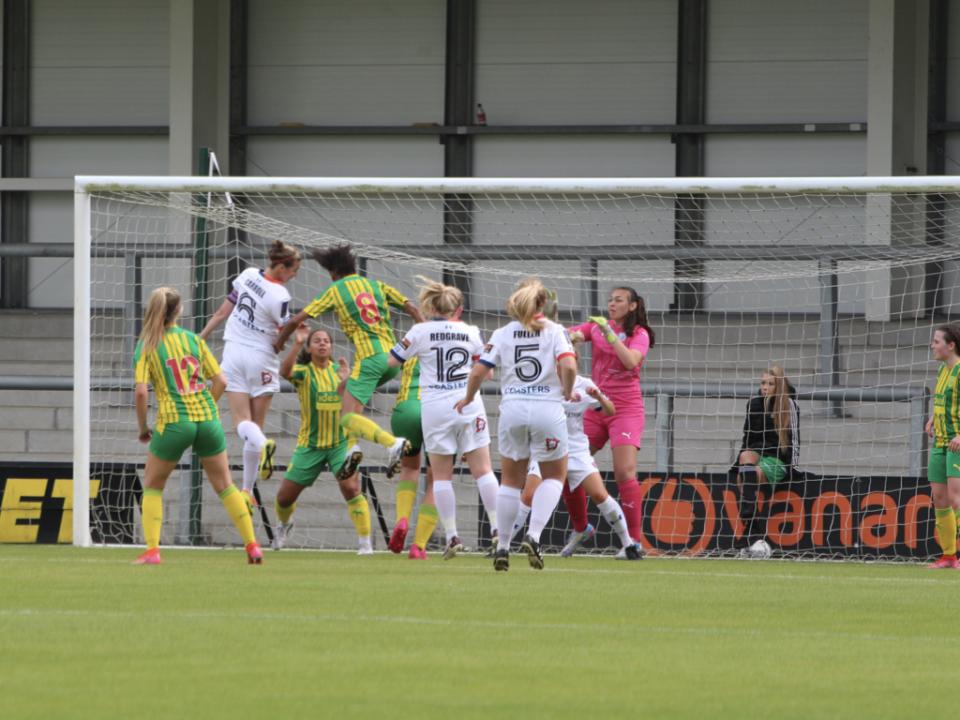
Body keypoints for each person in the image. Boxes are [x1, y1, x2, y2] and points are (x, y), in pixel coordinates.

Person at [133, 287, 262, 565]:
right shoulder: (193, 340)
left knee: (154, 486)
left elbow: (142, 392)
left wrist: (143, 428)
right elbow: (222, 382)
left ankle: (153, 551)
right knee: (226, 486)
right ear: (179, 311)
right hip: (207, 420)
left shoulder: (147, 345)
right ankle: (252, 546)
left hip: (174, 421)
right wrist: (208, 407)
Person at [456, 278, 577, 571]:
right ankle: (533, 536)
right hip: (547, 410)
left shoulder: (503, 333)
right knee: (554, 477)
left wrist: (469, 398)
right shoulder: (555, 331)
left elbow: (477, 372)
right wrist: (567, 390)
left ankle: (503, 545)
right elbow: (570, 366)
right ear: (541, 304)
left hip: (513, 410)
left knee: (510, 481)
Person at [274, 244, 424, 479]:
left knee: (346, 415)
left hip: (370, 359)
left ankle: (393, 443)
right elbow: (412, 308)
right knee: (345, 396)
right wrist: (424, 335)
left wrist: (278, 343)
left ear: (333, 273)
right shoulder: (376, 286)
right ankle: (351, 450)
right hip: (393, 359)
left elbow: (295, 321)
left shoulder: (336, 289)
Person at [388, 277, 500, 560]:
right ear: (457, 309)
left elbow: (390, 363)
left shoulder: (419, 331)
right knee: (483, 471)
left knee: (441, 476)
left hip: (435, 408)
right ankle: (499, 532)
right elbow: (487, 372)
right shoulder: (471, 331)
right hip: (468, 403)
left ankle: (452, 537)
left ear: (431, 305)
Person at [199, 240, 301, 512]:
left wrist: (202, 337)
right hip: (261, 358)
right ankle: (259, 455)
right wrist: (296, 337)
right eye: (293, 270)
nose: (294, 276)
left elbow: (223, 311)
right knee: (257, 422)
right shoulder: (280, 295)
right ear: (280, 266)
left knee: (242, 423)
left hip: (232, 352)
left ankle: (247, 489)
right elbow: (282, 334)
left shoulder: (246, 275)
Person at [509, 374, 643, 559]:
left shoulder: (584, 384)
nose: (564, 365)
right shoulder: (541, 382)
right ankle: (503, 544)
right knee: (529, 494)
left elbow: (611, 410)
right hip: (548, 447)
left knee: (599, 495)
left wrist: (599, 397)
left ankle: (629, 544)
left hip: (577, 449)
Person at [563, 286, 654, 557]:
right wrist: (571, 337)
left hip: (625, 409)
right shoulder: (597, 327)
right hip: (596, 405)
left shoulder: (640, 334)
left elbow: (630, 362)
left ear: (633, 305)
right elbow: (571, 334)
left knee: (624, 472)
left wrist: (609, 333)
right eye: (610, 300)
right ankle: (581, 527)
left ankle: (633, 543)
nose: (612, 304)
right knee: (566, 463)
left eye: (619, 300)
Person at [274, 324, 374, 555]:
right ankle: (284, 525)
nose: (322, 343)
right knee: (284, 497)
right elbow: (285, 372)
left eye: (326, 340)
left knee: (351, 487)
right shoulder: (304, 371)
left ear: (330, 346)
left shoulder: (339, 371)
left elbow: (355, 406)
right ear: (309, 347)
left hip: (340, 443)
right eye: (316, 340)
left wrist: (347, 381)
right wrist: (297, 341)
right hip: (310, 445)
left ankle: (365, 542)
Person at [733, 365, 800, 559]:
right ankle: (752, 523)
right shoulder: (753, 403)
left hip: (776, 459)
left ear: (779, 386)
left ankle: (750, 526)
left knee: (746, 476)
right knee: (744, 459)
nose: (765, 387)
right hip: (756, 455)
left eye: (770, 384)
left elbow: (795, 439)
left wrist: (793, 468)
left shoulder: (789, 405)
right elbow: (747, 437)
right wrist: (737, 464)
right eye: (763, 383)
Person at [925, 325, 960, 569]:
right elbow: (942, 402)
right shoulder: (942, 369)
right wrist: (931, 420)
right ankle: (949, 556)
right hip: (940, 441)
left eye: (936, 341)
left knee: (956, 498)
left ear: (951, 345)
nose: (932, 345)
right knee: (939, 498)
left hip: (956, 443)